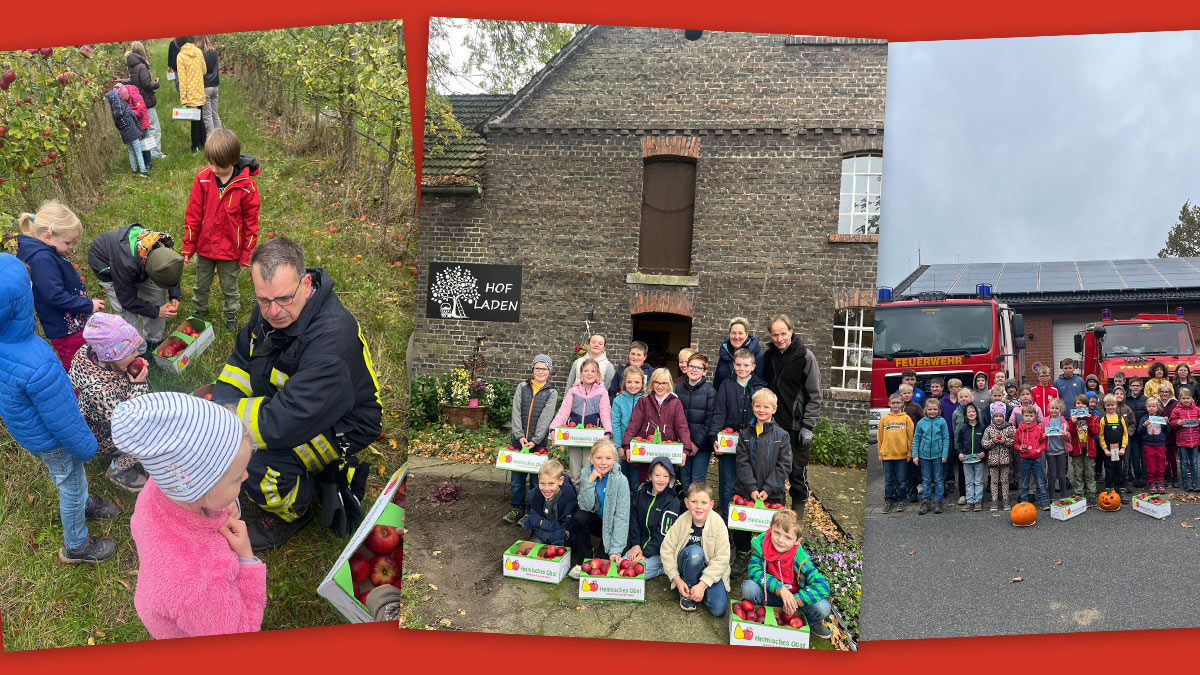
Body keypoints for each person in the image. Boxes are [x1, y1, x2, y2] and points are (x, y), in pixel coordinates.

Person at [210, 237, 383, 551]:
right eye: (263, 300)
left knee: (254, 461)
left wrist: (221, 424)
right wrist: (222, 403)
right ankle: (309, 473)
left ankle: (292, 511)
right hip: (297, 403)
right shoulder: (272, 304)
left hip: (343, 423)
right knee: (237, 444)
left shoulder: (332, 341)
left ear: (306, 283)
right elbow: (241, 362)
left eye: (283, 299)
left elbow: (283, 423)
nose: (273, 311)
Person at [113, 392, 266, 638]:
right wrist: (247, 559)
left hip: (157, 602)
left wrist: (219, 506)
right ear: (202, 491)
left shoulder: (158, 489)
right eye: (237, 478)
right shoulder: (203, 583)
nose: (246, 476)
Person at [0, 254, 119, 563]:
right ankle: (77, 545)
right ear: (20, 303)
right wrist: (87, 446)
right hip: (54, 440)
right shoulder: (37, 362)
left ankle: (86, 502)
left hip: (28, 432)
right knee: (71, 485)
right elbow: (62, 418)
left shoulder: (8, 344)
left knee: (68, 478)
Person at [183, 128, 261, 330]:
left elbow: (250, 225)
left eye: (221, 166)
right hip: (205, 247)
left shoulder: (246, 187)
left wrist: (246, 254)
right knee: (201, 283)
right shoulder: (202, 178)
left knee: (229, 286)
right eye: (210, 163)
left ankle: (230, 314)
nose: (215, 169)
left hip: (230, 250)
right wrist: (188, 246)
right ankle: (199, 309)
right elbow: (193, 214)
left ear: (234, 161)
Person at [15, 201, 103, 370]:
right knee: (79, 366)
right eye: (68, 242)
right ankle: (79, 395)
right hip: (66, 329)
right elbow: (55, 296)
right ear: (48, 236)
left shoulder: (45, 251)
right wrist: (88, 305)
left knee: (85, 359)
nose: (70, 247)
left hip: (72, 323)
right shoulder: (42, 259)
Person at [69, 313, 151, 492]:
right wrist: (138, 385)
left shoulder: (94, 355)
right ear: (108, 356)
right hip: (106, 434)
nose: (137, 354)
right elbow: (129, 420)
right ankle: (117, 470)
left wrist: (131, 371)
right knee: (147, 436)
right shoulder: (100, 392)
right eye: (130, 352)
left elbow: (117, 383)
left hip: (111, 413)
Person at [87, 223, 183, 353]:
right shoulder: (125, 265)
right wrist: (156, 311)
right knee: (128, 313)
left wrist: (174, 293)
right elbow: (127, 300)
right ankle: (139, 350)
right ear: (149, 271)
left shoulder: (163, 243)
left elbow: (171, 267)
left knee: (157, 295)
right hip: (107, 264)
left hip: (135, 262)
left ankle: (153, 340)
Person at [740, 509, 832, 639]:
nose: (780, 540)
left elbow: (823, 586)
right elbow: (754, 571)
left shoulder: (801, 560)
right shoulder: (763, 548)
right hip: (770, 596)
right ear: (770, 529)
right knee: (749, 588)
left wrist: (795, 600)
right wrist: (780, 589)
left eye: (787, 537)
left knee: (823, 607)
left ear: (797, 541)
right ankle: (760, 613)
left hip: (794, 604)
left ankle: (810, 623)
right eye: (776, 533)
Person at [762, 314, 821, 516]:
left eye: (783, 334)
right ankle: (777, 519)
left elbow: (814, 395)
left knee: (797, 476)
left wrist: (808, 425)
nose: (779, 339)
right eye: (775, 334)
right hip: (771, 427)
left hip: (796, 429)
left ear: (791, 332)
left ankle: (796, 521)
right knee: (773, 475)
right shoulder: (767, 358)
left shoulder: (805, 356)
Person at [730, 388, 792, 574]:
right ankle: (742, 555)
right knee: (742, 528)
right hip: (746, 491)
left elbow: (784, 465)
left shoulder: (782, 436)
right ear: (752, 407)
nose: (762, 410)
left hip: (773, 493)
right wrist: (751, 488)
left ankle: (769, 560)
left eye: (766, 406)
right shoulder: (745, 435)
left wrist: (768, 487)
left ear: (774, 409)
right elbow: (742, 463)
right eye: (758, 406)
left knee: (772, 528)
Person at [710, 348, 768, 517]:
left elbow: (765, 415)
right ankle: (728, 525)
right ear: (733, 365)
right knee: (727, 484)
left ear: (753, 366)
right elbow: (719, 413)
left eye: (746, 365)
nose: (742, 368)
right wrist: (714, 437)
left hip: (752, 446)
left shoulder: (760, 386)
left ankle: (745, 524)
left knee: (748, 483)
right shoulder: (726, 385)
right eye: (738, 365)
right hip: (728, 446)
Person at [660, 482, 730, 616]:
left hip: (709, 569)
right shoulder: (682, 521)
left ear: (711, 505)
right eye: (694, 501)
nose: (699, 507)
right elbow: (666, 549)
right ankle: (688, 588)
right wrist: (677, 579)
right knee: (695, 553)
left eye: (704, 502)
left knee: (718, 609)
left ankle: (698, 589)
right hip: (687, 563)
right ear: (686, 503)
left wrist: (703, 584)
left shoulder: (718, 524)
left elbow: (722, 558)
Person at [504, 355, 559, 524]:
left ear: (549, 372)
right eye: (537, 368)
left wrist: (535, 439)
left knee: (537, 480)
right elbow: (516, 412)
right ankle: (517, 507)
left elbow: (546, 418)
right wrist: (519, 436)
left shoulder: (551, 392)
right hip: (518, 442)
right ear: (532, 370)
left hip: (538, 444)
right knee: (517, 479)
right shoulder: (522, 387)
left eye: (544, 369)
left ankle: (533, 510)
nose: (540, 372)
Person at [568, 439, 630, 578]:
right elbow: (585, 506)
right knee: (579, 517)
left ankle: (603, 552)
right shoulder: (586, 474)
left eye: (608, 458)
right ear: (591, 459)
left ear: (614, 460)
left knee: (601, 567)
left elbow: (622, 517)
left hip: (611, 526)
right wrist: (589, 482)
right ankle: (584, 560)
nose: (603, 462)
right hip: (596, 522)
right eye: (599, 458)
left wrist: (615, 550)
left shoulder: (621, 481)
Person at [551, 357, 614, 486]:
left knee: (588, 470)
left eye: (592, 371)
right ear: (581, 373)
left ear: (597, 374)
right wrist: (553, 428)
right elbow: (563, 412)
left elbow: (605, 413)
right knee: (574, 472)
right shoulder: (573, 391)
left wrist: (607, 433)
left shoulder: (602, 392)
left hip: (592, 439)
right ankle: (574, 502)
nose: (589, 373)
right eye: (586, 370)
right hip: (574, 437)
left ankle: (588, 502)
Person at [622, 367, 690, 486]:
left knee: (665, 487)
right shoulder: (643, 401)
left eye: (663, 383)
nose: (660, 386)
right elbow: (633, 425)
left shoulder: (675, 403)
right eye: (657, 382)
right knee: (644, 485)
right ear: (652, 383)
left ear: (669, 384)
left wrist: (685, 450)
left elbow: (682, 428)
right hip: (646, 454)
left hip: (667, 454)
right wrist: (627, 446)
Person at [623, 456, 681, 580]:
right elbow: (634, 520)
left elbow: (663, 534)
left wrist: (646, 552)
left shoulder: (672, 502)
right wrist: (636, 545)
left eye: (665, 476)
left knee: (635, 574)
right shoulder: (641, 493)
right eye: (657, 475)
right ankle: (650, 562)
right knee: (622, 567)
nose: (661, 480)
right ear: (650, 476)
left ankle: (665, 567)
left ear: (670, 478)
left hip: (660, 551)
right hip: (641, 546)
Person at [676, 351, 717, 488]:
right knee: (685, 480)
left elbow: (710, 420)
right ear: (686, 368)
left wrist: (697, 443)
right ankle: (686, 508)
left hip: (702, 446)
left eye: (698, 368)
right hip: (682, 444)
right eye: (691, 366)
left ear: (704, 372)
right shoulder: (677, 389)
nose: (694, 370)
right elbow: (674, 417)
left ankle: (699, 508)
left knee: (697, 480)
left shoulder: (710, 392)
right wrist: (685, 442)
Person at [521, 459, 577, 546]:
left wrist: (541, 523)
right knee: (535, 546)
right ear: (538, 479)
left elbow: (566, 527)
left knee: (557, 549)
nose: (546, 488)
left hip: (561, 534)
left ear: (561, 481)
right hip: (542, 532)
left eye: (551, 484)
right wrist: (546, 532)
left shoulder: (569, 498)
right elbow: (532, 518)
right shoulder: (536, 495)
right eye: (542, 483)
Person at [124, 41, 164, 160]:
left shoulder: (131, 66)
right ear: (142, 51)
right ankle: (155, 154)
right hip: (147, 101)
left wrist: (120, 80)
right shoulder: (141, 66)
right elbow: (146, 84)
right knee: (154, 128)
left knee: (144, 128)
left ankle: (146, 153)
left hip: (138, 101)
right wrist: (156, 84)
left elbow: (133, 81)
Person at [878, 392, 914, 513]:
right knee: (888, 480)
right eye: (893, 403)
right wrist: (880, 453)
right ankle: (889, 500)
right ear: (889, 404)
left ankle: (902, 500)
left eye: (898, 403)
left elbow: (910, 437)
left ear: (902, 404)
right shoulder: (884, 419)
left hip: (902, 456)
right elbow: (880, 438)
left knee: (901, 480)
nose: (895, 405)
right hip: (887, 455)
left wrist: (909, 453)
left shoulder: (906, 418)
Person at [913, 398, 949, 514]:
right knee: (926, 480)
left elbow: (945, 438)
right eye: (930, 409)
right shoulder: (921, 422)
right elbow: (916, 439)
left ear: (938, 410)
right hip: (924, 456)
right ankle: (926, 501)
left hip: (938, 455)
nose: (932, 411)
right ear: (925, 410)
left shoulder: (942, 421)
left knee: (939, 479)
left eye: (935, 409)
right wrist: (915, 455)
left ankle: (938, 501)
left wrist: (944, 454)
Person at [612, 365, 645, 488]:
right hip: (622, 448)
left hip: (639, 448)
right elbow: (615, 424)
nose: (633, 385)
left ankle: (635, 506)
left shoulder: (645, 400)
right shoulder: (618, 400)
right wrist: (619, 446)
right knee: (622, 481)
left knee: (637, 483)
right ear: (624, 382)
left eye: (637, 382)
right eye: (629, 382)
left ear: (642, 383)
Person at [712, 317, 766, 390]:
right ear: (729, 334)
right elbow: (717, 383)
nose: (737, 337)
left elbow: (761, 385)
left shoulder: (757, 357)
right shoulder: (724, 355)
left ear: (746, 334)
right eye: (733, 333)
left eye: (740, 333)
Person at [176, 36, 208, 153]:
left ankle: (195, 146)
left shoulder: (181, 56)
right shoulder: (199, 52)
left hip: (190, 94)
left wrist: (183, 98)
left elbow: (182, 79)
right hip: (199, 91)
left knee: (194, 121)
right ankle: (203, 142)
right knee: (200, 118)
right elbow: (204, 70)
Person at [105, 89, 147, 178]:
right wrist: (139, 130)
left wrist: (122, 132)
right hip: (133, 133)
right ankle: (143, 171)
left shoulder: (113, 111)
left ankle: (134, 169)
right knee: (138, 152)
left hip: (125, 135)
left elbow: (117, 125)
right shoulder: (124, 105)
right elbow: (134, 117)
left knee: (131, 152)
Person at [1067, 394, 1100, 504]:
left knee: (1090, 473)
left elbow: (1095, 432)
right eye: (1078, 403)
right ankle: (1079, 494)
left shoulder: (1094, 417)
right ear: (1075, 406)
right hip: (1077, 449)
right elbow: (1070, 434)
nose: (1081, 406)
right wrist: (1072, 423)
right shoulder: (1071, 417)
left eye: (1083, 404)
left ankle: (1091, 493)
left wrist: (1089, 420)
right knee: (1078, 473)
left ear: (1087, 406)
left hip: (1089, 449)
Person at [982, 402, 1014, 511]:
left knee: (1005, 480)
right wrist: (993, 442)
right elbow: (984, 443)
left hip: (1005, 459)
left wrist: (1005, 441)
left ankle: (1005, 499)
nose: (998, 418)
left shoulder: (1008, 428)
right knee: (994, 481)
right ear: (993, 417)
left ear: (1004, 417)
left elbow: (1013, 442)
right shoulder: (989, 429)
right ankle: (994, 499)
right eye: (996, 416)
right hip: (993, 460)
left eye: (1000, 416)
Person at [1014, 404, 1048, 508]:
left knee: (1039, 481)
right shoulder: (1019, 430)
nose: (1028, 418)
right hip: (1024, 460)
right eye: (1026, 415)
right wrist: (1019, 448)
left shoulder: (1038, 429)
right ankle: (1024, 502)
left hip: (1036, 459)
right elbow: (1015, 443)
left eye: (1031, 415)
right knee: (1024, 482)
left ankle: (1043, 501)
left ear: (1035, 417)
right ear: (1022, 416)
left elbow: (1043, 443)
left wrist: (1039, 450)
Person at [957, 398, 986, 511]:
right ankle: (969, 501)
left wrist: (984, 452)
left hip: (979, 460)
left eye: (973, 411)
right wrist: (960, 453)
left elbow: (985, 442)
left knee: (978, 481)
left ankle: (978, 500)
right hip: (967, 460)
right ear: (965, 414)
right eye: (969, 412)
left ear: (977, 413)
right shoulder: (963, 429)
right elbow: (959, 444)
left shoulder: (982, 428)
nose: (971, 413)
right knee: (969, 481)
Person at [114, 83, 152, 171]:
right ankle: (141, 163)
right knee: (138, 145)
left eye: (125, 99)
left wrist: (129, 113)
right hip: (133, 125)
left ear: (126, 94)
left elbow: (141, 112)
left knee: (144, 144)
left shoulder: (136, 96)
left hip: (142, 123)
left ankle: (148, 162)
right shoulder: (123, 98)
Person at [1168, 388, 1200, 492]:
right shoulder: (1176, 410)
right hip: (1182, 441)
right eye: (1183, 398)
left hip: (1195, 441)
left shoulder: (1197, 409)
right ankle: (1185, 482)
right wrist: (1177, 422)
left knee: (1194, 462)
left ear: (1192, 399)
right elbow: (1171, 422)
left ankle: (1195, 482)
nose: (1186, 400)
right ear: (1179, 399)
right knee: (1183, 462)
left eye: (1188, 398)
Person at [1042, 398, 1071, 504]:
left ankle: (1063, 495)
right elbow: (1041, 436)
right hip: (1050, 452)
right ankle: (1052, 496)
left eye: (1056, 408)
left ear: (1060, 409)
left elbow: (1068, 437)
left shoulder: (1063, 421)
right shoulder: (1045, 421)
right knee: (1052, 475)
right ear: (1049, 408)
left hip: (1061, 451)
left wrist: (1066, 434)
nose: (1054, 410)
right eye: (1052, 408)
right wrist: (1043, 436)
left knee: (1062, 475)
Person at [1140, 396, 1168, 492]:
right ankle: (1151, 482)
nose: (1151, 408)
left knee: (1160, 464)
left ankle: (1159, 482)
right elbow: (1139, 431)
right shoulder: (1144, 419)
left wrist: (1166, 423)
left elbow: (1167, 431)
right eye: (1149, 406)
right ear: (1146, 407)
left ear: (1157, 407)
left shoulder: (1160, 418)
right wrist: (1144, 425)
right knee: (1150, 465)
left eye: (1153, 406)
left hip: (1160, 444)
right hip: (1148, 445)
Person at [195, 35, 222, 135]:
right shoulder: (214, 51)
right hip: (215, 85)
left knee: (207, 115)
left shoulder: (199, 53)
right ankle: (220, 135)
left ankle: (211, 139)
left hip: (205, 86)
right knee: (215, 113)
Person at [1155, 382, 1179, 488]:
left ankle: (1176, 477)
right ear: (1159, 392)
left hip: (1171, 435)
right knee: (1164, 459)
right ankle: (1168, 477)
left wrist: (1170, 420)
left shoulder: (1175, 403)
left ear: (1170, 392)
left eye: (1166, 392)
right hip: (1160, 435)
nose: (1164, 394)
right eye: (1162, 392)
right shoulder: (1156, 403)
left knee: (1172, 458)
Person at [1125, 378, 1148, 487]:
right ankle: (1136, 476)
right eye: (1133, 385)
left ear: (1141, 387)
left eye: (1138, 385)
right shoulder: (1126, 400)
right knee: (1134, 456)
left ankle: (1143, 477)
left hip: (1144, 433)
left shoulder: (1146, 400)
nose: (1135, 387)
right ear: (1129, 387)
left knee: (1144, 456)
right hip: (1132, 434)